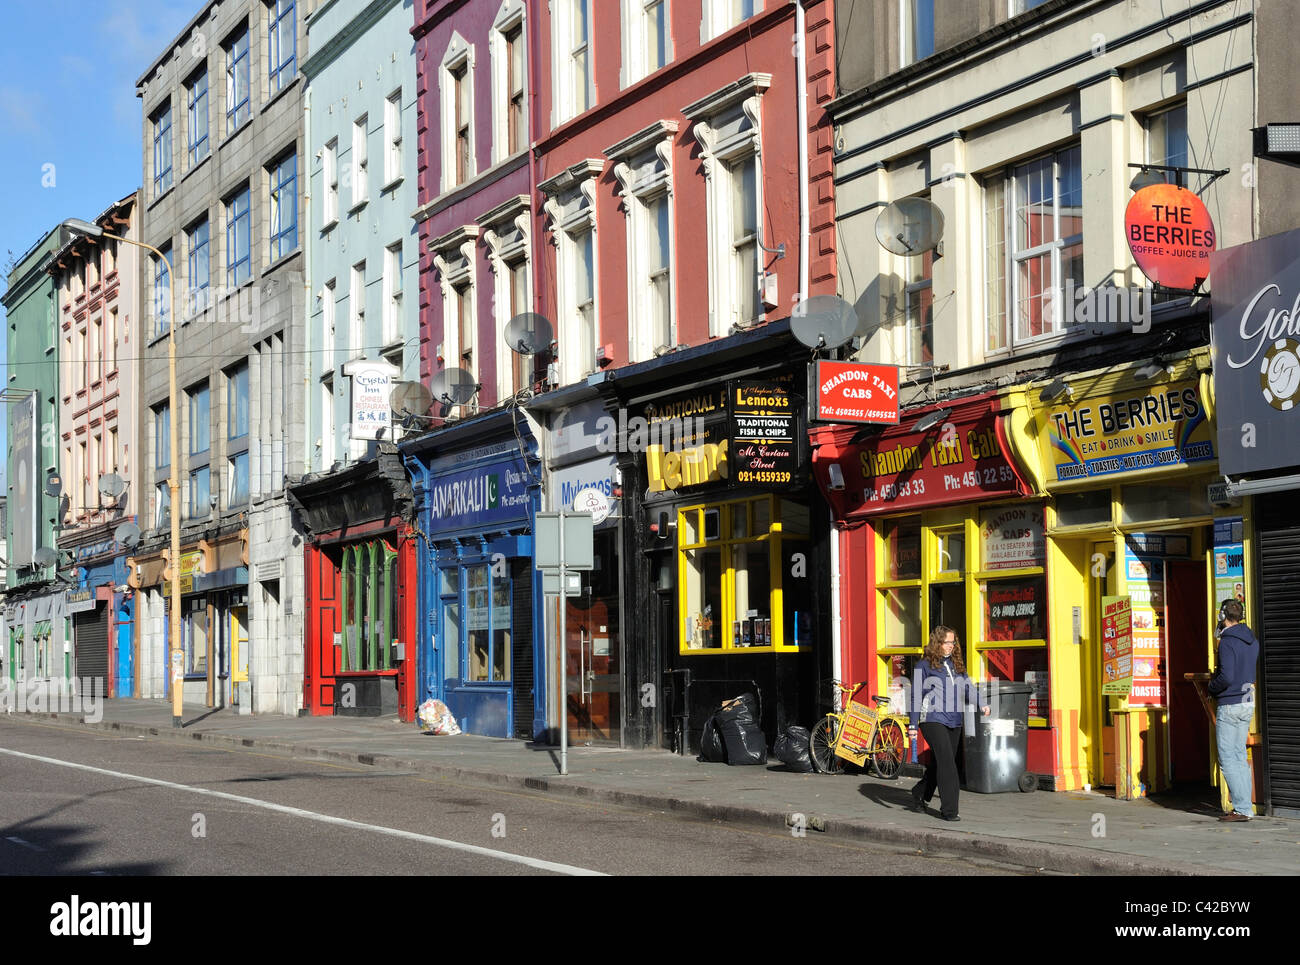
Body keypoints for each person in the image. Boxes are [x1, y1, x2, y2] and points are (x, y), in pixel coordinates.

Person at [908, 626, 988, 822]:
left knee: (941, 763)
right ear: (937, 643)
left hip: (954, 719)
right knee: (948, 765)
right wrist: (912, 724)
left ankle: (920, 793)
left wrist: (982, 703)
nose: (951, 646)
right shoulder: (924, 666)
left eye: (953, 642)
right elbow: (916, 696)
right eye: (947, 642)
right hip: (932, 719)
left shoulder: (956, 664)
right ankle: (950, 811)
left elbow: (968, 687)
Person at [1209, 598, 1259, 822]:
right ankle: (1246, 806)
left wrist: (1212, 687)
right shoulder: (1252, 640)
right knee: (1239, 755)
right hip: (1248, 700)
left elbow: (1227, 676)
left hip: (1230, 703)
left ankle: (1241, 809)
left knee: (1228, 758)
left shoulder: (1227, 642)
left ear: (1222, 616)